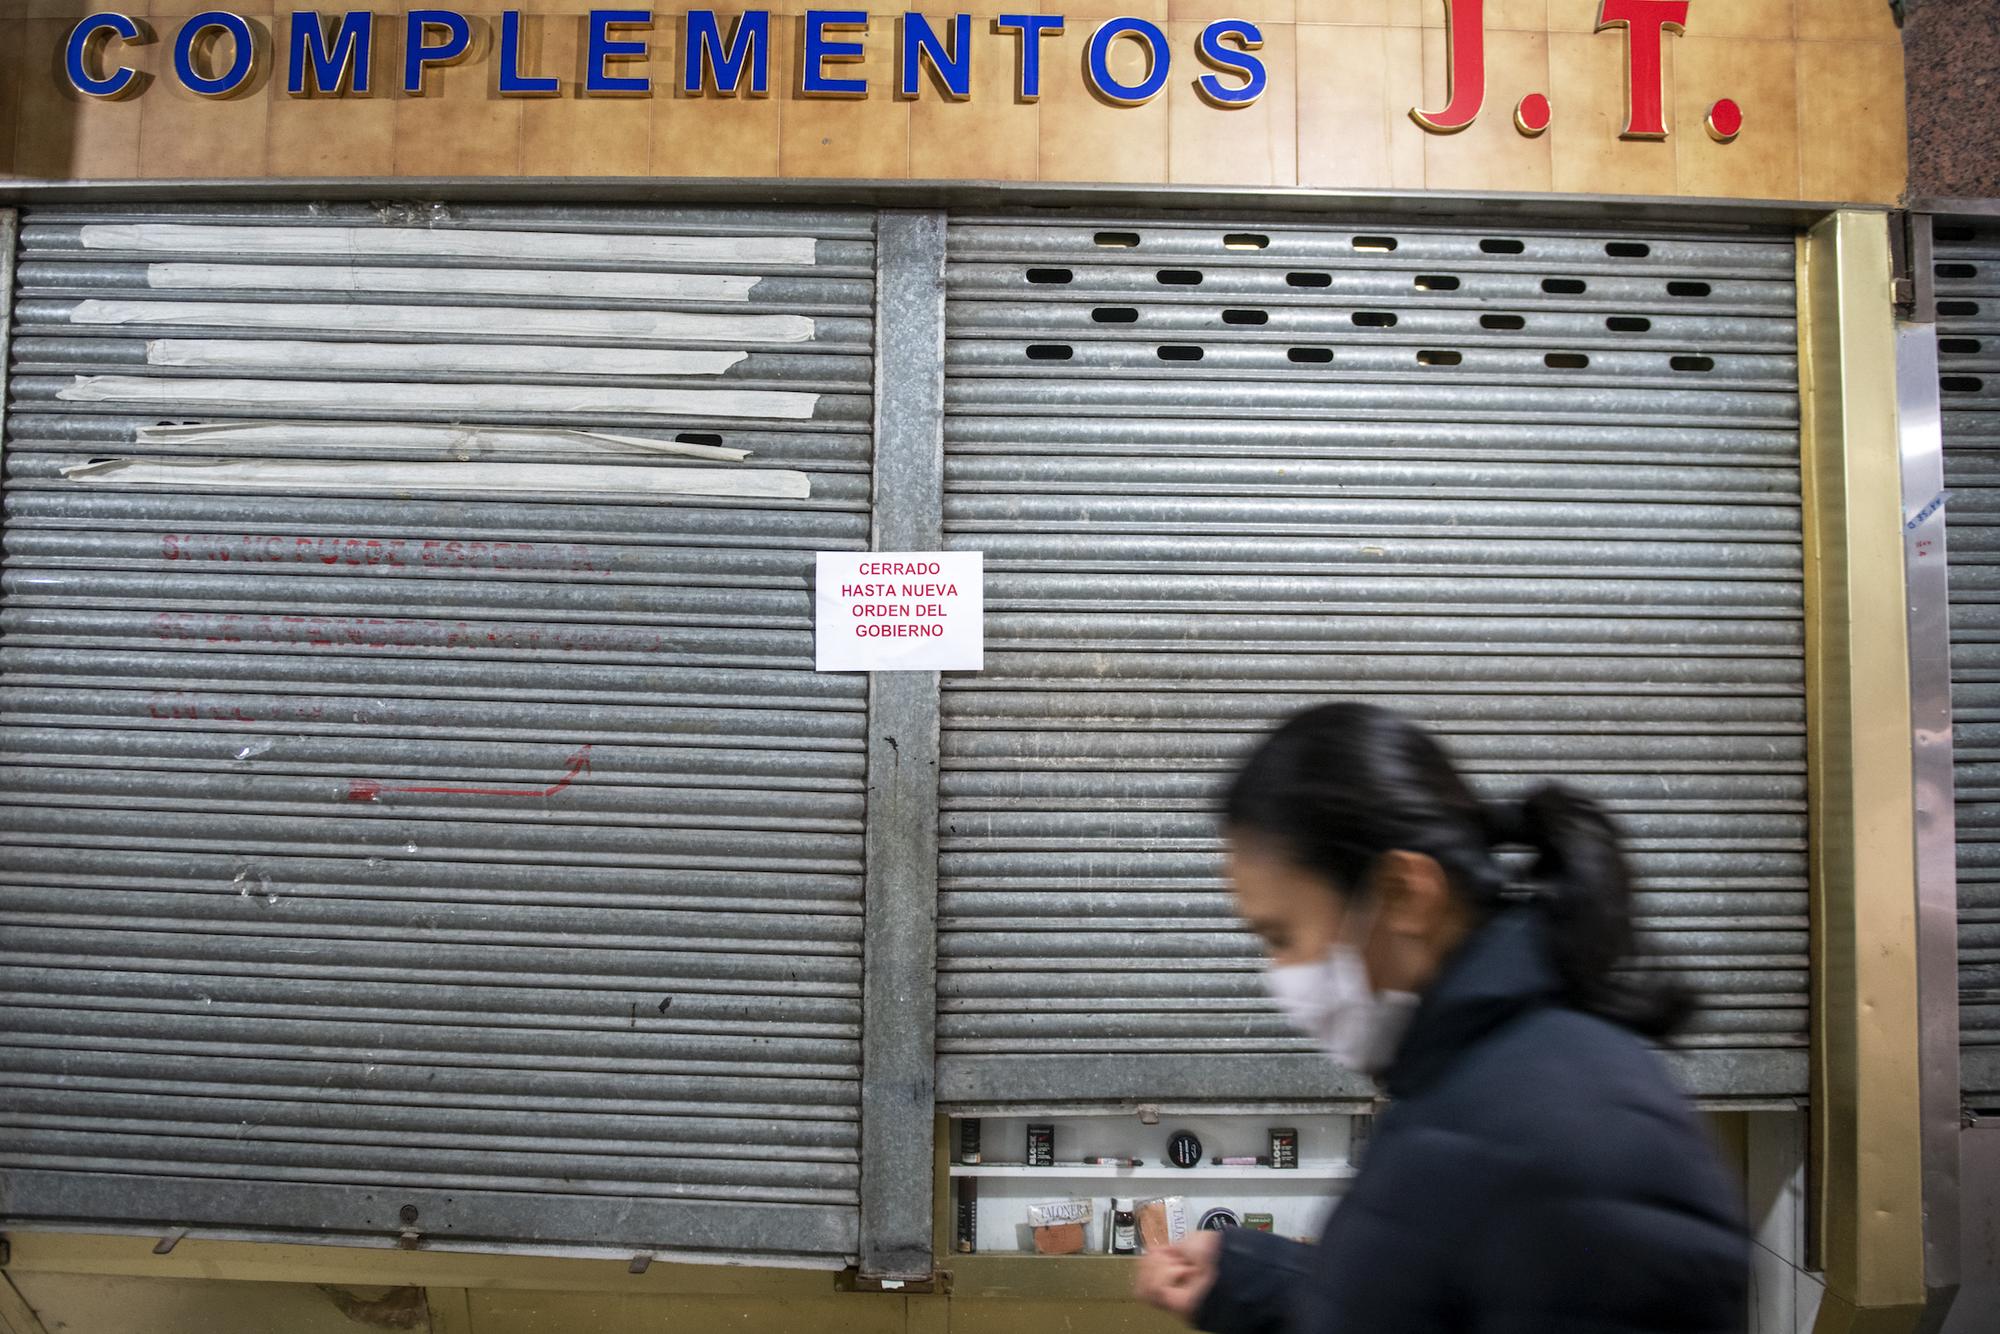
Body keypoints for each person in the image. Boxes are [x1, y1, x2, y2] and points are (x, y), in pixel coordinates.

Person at [1134, 702, 1749, 1334]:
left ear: (1405, 894)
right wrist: (1251, 1277)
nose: (1279, 975)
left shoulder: (1567, 1137)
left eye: (1283, 935)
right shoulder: (1465, 1092)